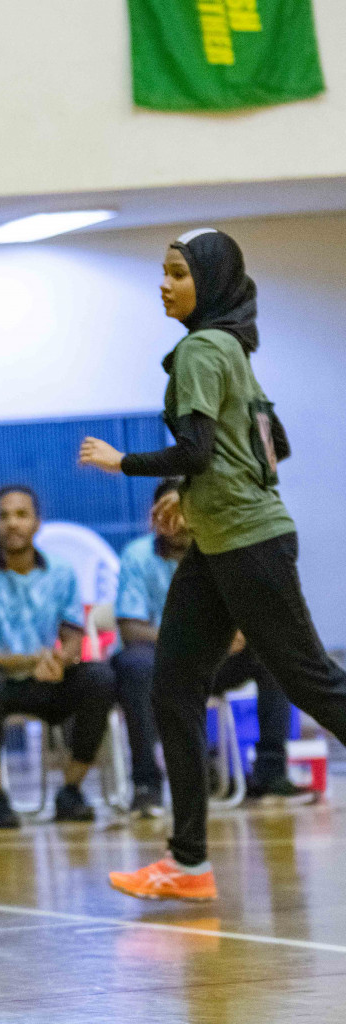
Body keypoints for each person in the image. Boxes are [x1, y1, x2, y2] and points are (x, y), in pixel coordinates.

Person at [80, 227, 346, 902]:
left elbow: (198, 450)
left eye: (177, 273)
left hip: (249, 545)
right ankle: (188, 861)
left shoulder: (204, 347)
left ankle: (189, 857)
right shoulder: (232, 346)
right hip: (218, 542)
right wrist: (191, 505)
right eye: (162, 273)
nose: (164, 285)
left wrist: (125, 463)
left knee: (312, 681)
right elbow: (269, 445)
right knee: (171, 685)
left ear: (211, 281)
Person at [111, 480, 312, 819]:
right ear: (153, 518)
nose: (176, 519)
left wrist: (241, 630)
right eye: (166, 512)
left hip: (216, 664)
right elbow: (130, 629)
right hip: (164, 665)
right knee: (133, 664)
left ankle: (270, 773)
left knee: (273, 650)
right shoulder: (137, 556)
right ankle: (147, 785)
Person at [0, 486, 118, 829]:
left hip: (46, 678)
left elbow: (73, 632)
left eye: (22, 514)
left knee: (100, 677)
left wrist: (62, 659)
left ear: (37, 523)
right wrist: (22, 662)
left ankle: (71, 791)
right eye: (4, 515)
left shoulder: (61, 571)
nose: (13, 523)